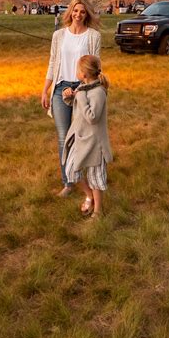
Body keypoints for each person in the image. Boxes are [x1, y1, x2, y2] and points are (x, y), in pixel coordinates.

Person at [41, 0, 101, 197]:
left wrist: (82, 90)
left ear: (87, 14)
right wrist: (45, 90)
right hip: (60, 88)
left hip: (82, 89)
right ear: (70, 12)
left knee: (83, 136)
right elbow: (52, 63)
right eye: (75, 11)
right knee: (63, 138)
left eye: (82, 12)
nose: (78, 14)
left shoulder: (93, 36)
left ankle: (89, 178)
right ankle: (68, 182)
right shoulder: (59, 35)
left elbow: (95, 68)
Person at [61, 55, 113, 219]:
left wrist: (80, 96)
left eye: (77, 69)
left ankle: (98, 211)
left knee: (95, 176)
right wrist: (69, 97)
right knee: (71, 171)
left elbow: (92, 117)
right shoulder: (83, 88)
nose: (75, 72)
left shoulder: (98, 92)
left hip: (94, 142)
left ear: (84, 73)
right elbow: (79, 109)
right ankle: (89, 195)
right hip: (79, 139)